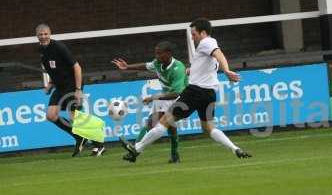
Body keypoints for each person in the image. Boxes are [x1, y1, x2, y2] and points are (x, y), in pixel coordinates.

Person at [120, 18, 251, 163]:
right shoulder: (206, 48)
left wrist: (226, 70)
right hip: (209, 94)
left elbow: (218, 54)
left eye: (194, 34)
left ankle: (137, 149)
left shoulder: (207, 42)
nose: (193, 37)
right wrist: (192, 70)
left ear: (203, 32)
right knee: (208, 128)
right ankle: (235, 149)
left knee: (164, 121)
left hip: (194, 91)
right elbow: (209, 64)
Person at [112, 41, 187, 163]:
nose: (157, 57)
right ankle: (173, 155)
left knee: (159, 124)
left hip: (180, 99)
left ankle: (135, 151)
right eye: (156, 54)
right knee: (159, 124)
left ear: (168, 54)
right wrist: (127, 67)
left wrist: (154, 97)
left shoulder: (177, 68)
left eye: (159, 54)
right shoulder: (158, 63)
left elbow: (177, 93)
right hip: (165, 97)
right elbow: (146, 66)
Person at [36, 23, 105, 157]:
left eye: (45, 34)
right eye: (41, 34)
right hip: (59, 86)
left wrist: (78, 89)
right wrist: (50, 84)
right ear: (37, 36)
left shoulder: (59, 47)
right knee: (51, 115)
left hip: (72, 85)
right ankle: (79, 137)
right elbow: (52, 69)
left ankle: (99, 145)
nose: (43, 37)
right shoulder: (41, 50)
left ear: (50, 34)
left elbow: (77, 68)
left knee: (75, 117)